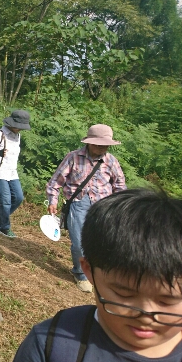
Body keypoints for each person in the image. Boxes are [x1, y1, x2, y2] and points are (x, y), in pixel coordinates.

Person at [13, 188, 182, 361]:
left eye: (167, 300)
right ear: (89, 271)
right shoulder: (49, 344)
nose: (146, 315)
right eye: (125, 294)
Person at [46, 124, 126, 293]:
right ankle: (80, 274)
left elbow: (119, 185)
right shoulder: (73, 157)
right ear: (89, 143)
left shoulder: (111, 161)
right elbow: (55, 182)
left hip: (104, 206)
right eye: (98, 144)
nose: (102, 147)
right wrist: (52, 201)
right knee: (79, 243)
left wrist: (120, 207)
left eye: (105, 145)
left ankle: (97, 272)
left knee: (102, 242)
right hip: (78, 204)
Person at [0, 110, 31, 239]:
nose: (21, 129)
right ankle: (4, 227)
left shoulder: (17, 136)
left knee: (19, 197)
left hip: (11, 171)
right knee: (6, 200)